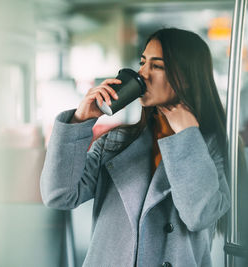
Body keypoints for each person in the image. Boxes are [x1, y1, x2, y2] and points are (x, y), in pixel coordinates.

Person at [40, 28, 231, 267]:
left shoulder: (212, 148)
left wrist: (187, 135)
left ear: (186, 77)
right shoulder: (116, 142)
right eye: (143, 63)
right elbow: (58, 195)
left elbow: (198, 216)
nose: (142, 74)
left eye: (157, 66)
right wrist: (79, 121)